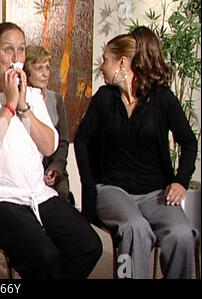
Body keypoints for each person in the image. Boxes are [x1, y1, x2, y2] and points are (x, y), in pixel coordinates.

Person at [0, 22, 102, 279]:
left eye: (21, 50)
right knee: (44, 257)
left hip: (35, 194)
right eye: (8, 50)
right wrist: (10, 103)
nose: (15, 59)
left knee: (88, 245)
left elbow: (49, 145)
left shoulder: (33, 96)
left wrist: (24, 105)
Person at [74, 26, 198, 279]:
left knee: (182, 234)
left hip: (155, 192)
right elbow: (82, 140)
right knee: (134, 228)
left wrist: (180, 181)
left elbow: (189, 141)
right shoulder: (104, 98)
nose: (102, 67)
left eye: (105, 60)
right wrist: (89, 185)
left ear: (122, 62)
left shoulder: (163, 98)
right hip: (112, 190)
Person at [23, 45, 73, 205]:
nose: (45, 74)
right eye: (39, 68)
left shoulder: (56, 99)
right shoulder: (19, 100)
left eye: (47, 68)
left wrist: (55, 169)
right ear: (27, 72)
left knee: (62, 191)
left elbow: (63, 142)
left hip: (53, 168)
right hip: (27, 170)